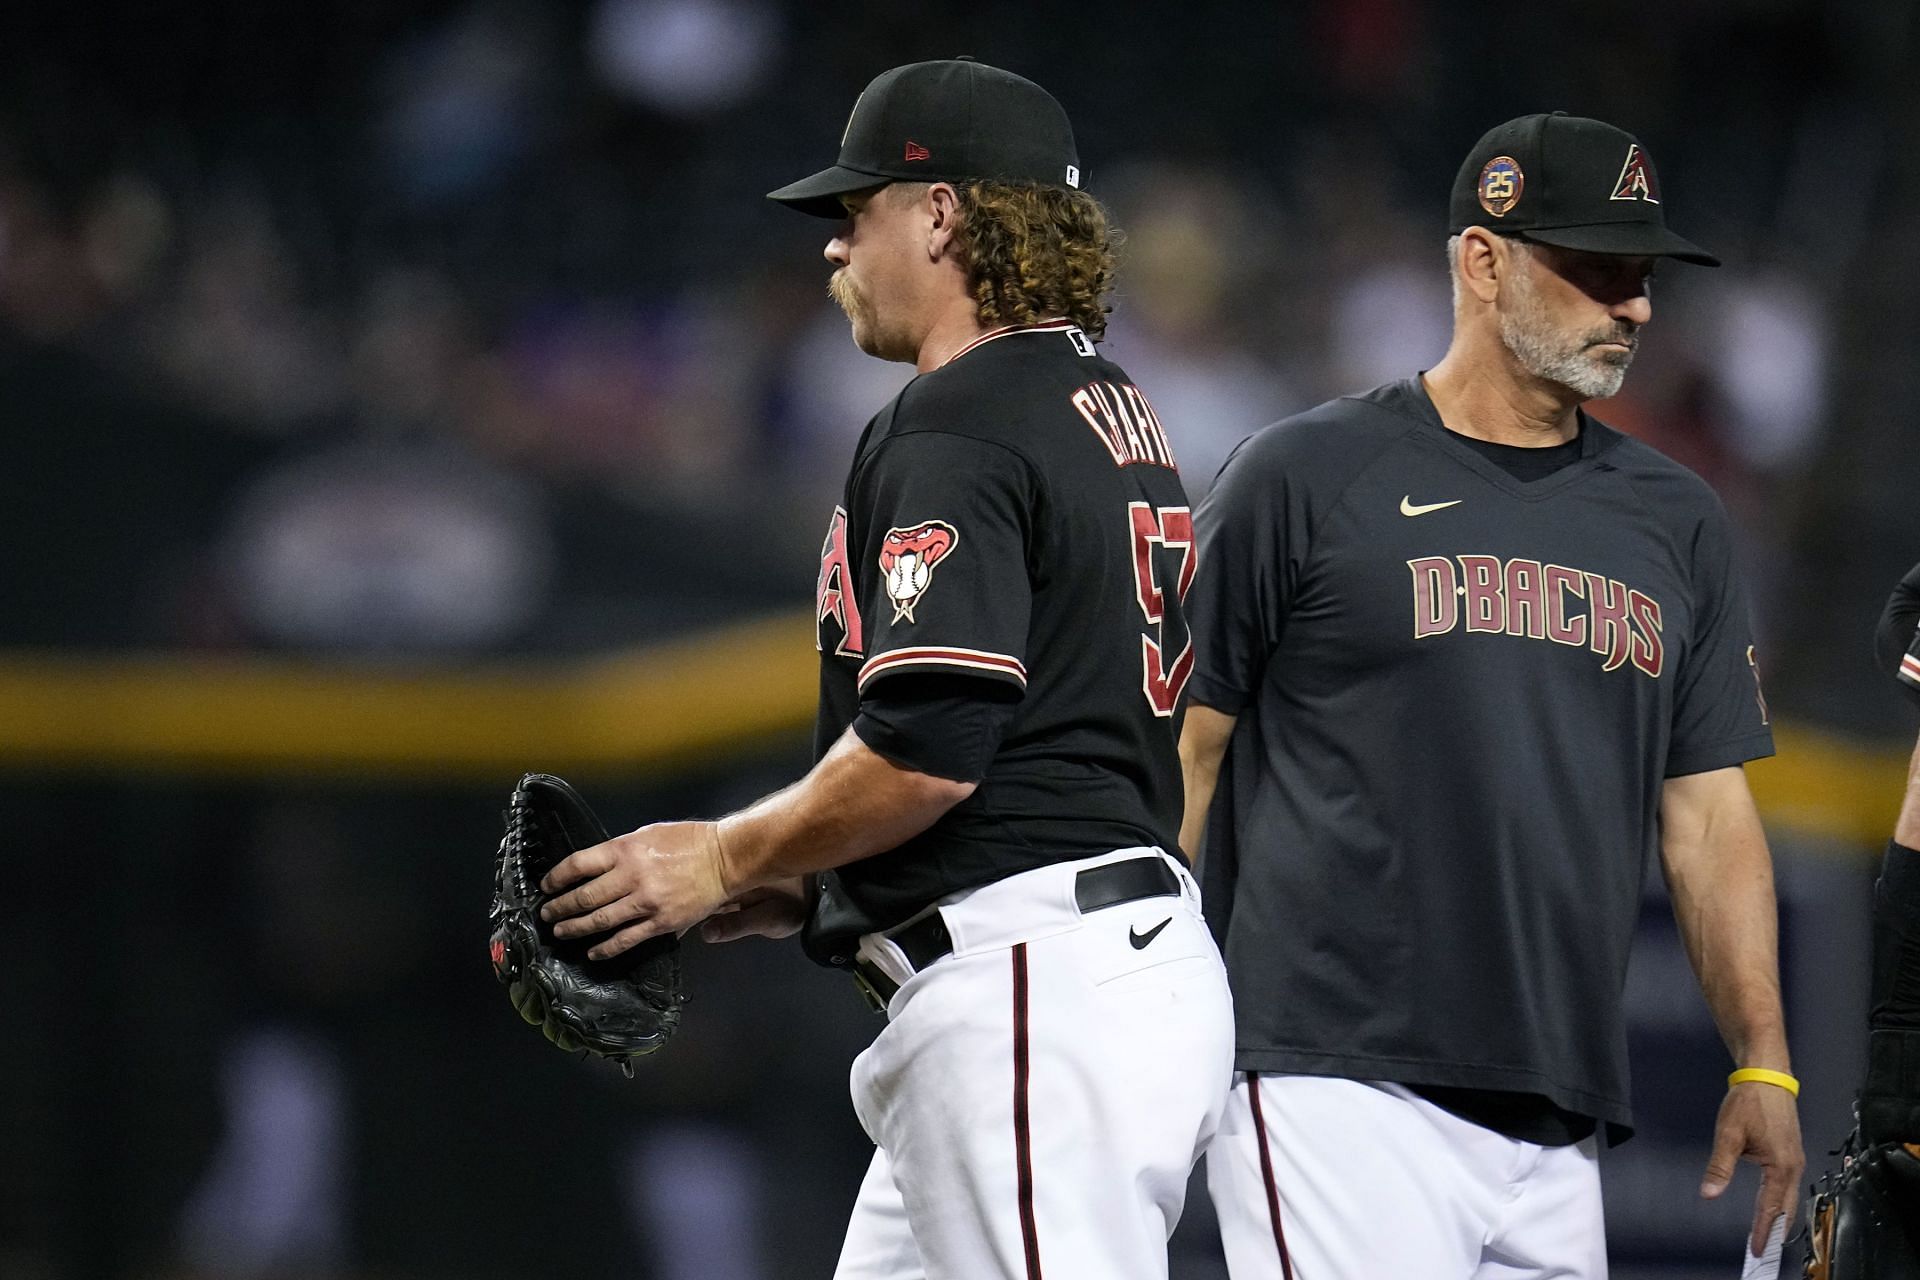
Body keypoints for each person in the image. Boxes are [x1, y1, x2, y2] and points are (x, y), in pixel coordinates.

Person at [538, 58, 1233, 1280]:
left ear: (942, 213)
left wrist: (717, 854)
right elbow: (1053, 735)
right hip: (1078, 967)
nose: (833, 249)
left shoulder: (959, 418)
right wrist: (809, 884)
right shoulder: (1104, 403)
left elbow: (928, 749)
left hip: (1030, 993)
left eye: (856, 213)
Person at [1178, 112, 1805, 1279]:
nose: (1636, 304)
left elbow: (1709, 812)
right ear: (1482, 260)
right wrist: (1139, 1012)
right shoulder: (1302, 474)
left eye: (1643, 273)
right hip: (1333, 1078)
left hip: (1559, 1108)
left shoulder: (1678, 519)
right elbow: (1185, 748)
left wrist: (1762, 1057)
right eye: (1597, 269)